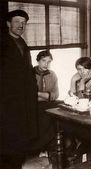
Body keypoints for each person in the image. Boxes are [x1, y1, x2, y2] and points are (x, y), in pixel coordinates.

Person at [0, 10, 38, 168]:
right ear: (8, 24)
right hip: (6, 99)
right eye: (17, 21)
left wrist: (34, 89)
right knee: (7, 139)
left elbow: (28, 70)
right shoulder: (2, 42)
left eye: (24, 23)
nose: (21, 25)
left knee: (19, 138)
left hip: (23, 99)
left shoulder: (22, 43)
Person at [31, 50, 59, 157]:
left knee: (60, 112)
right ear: (38, 61)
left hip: (49, 103)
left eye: (49, 61)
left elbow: (55, 95)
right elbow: (27, 95)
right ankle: (41, 148)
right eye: (43, 61)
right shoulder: (30, 73)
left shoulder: (52, 74)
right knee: (44, 117)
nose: (46, 64)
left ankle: (50, 148)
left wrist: (37, 93)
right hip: (33, 105)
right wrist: (46, 95)